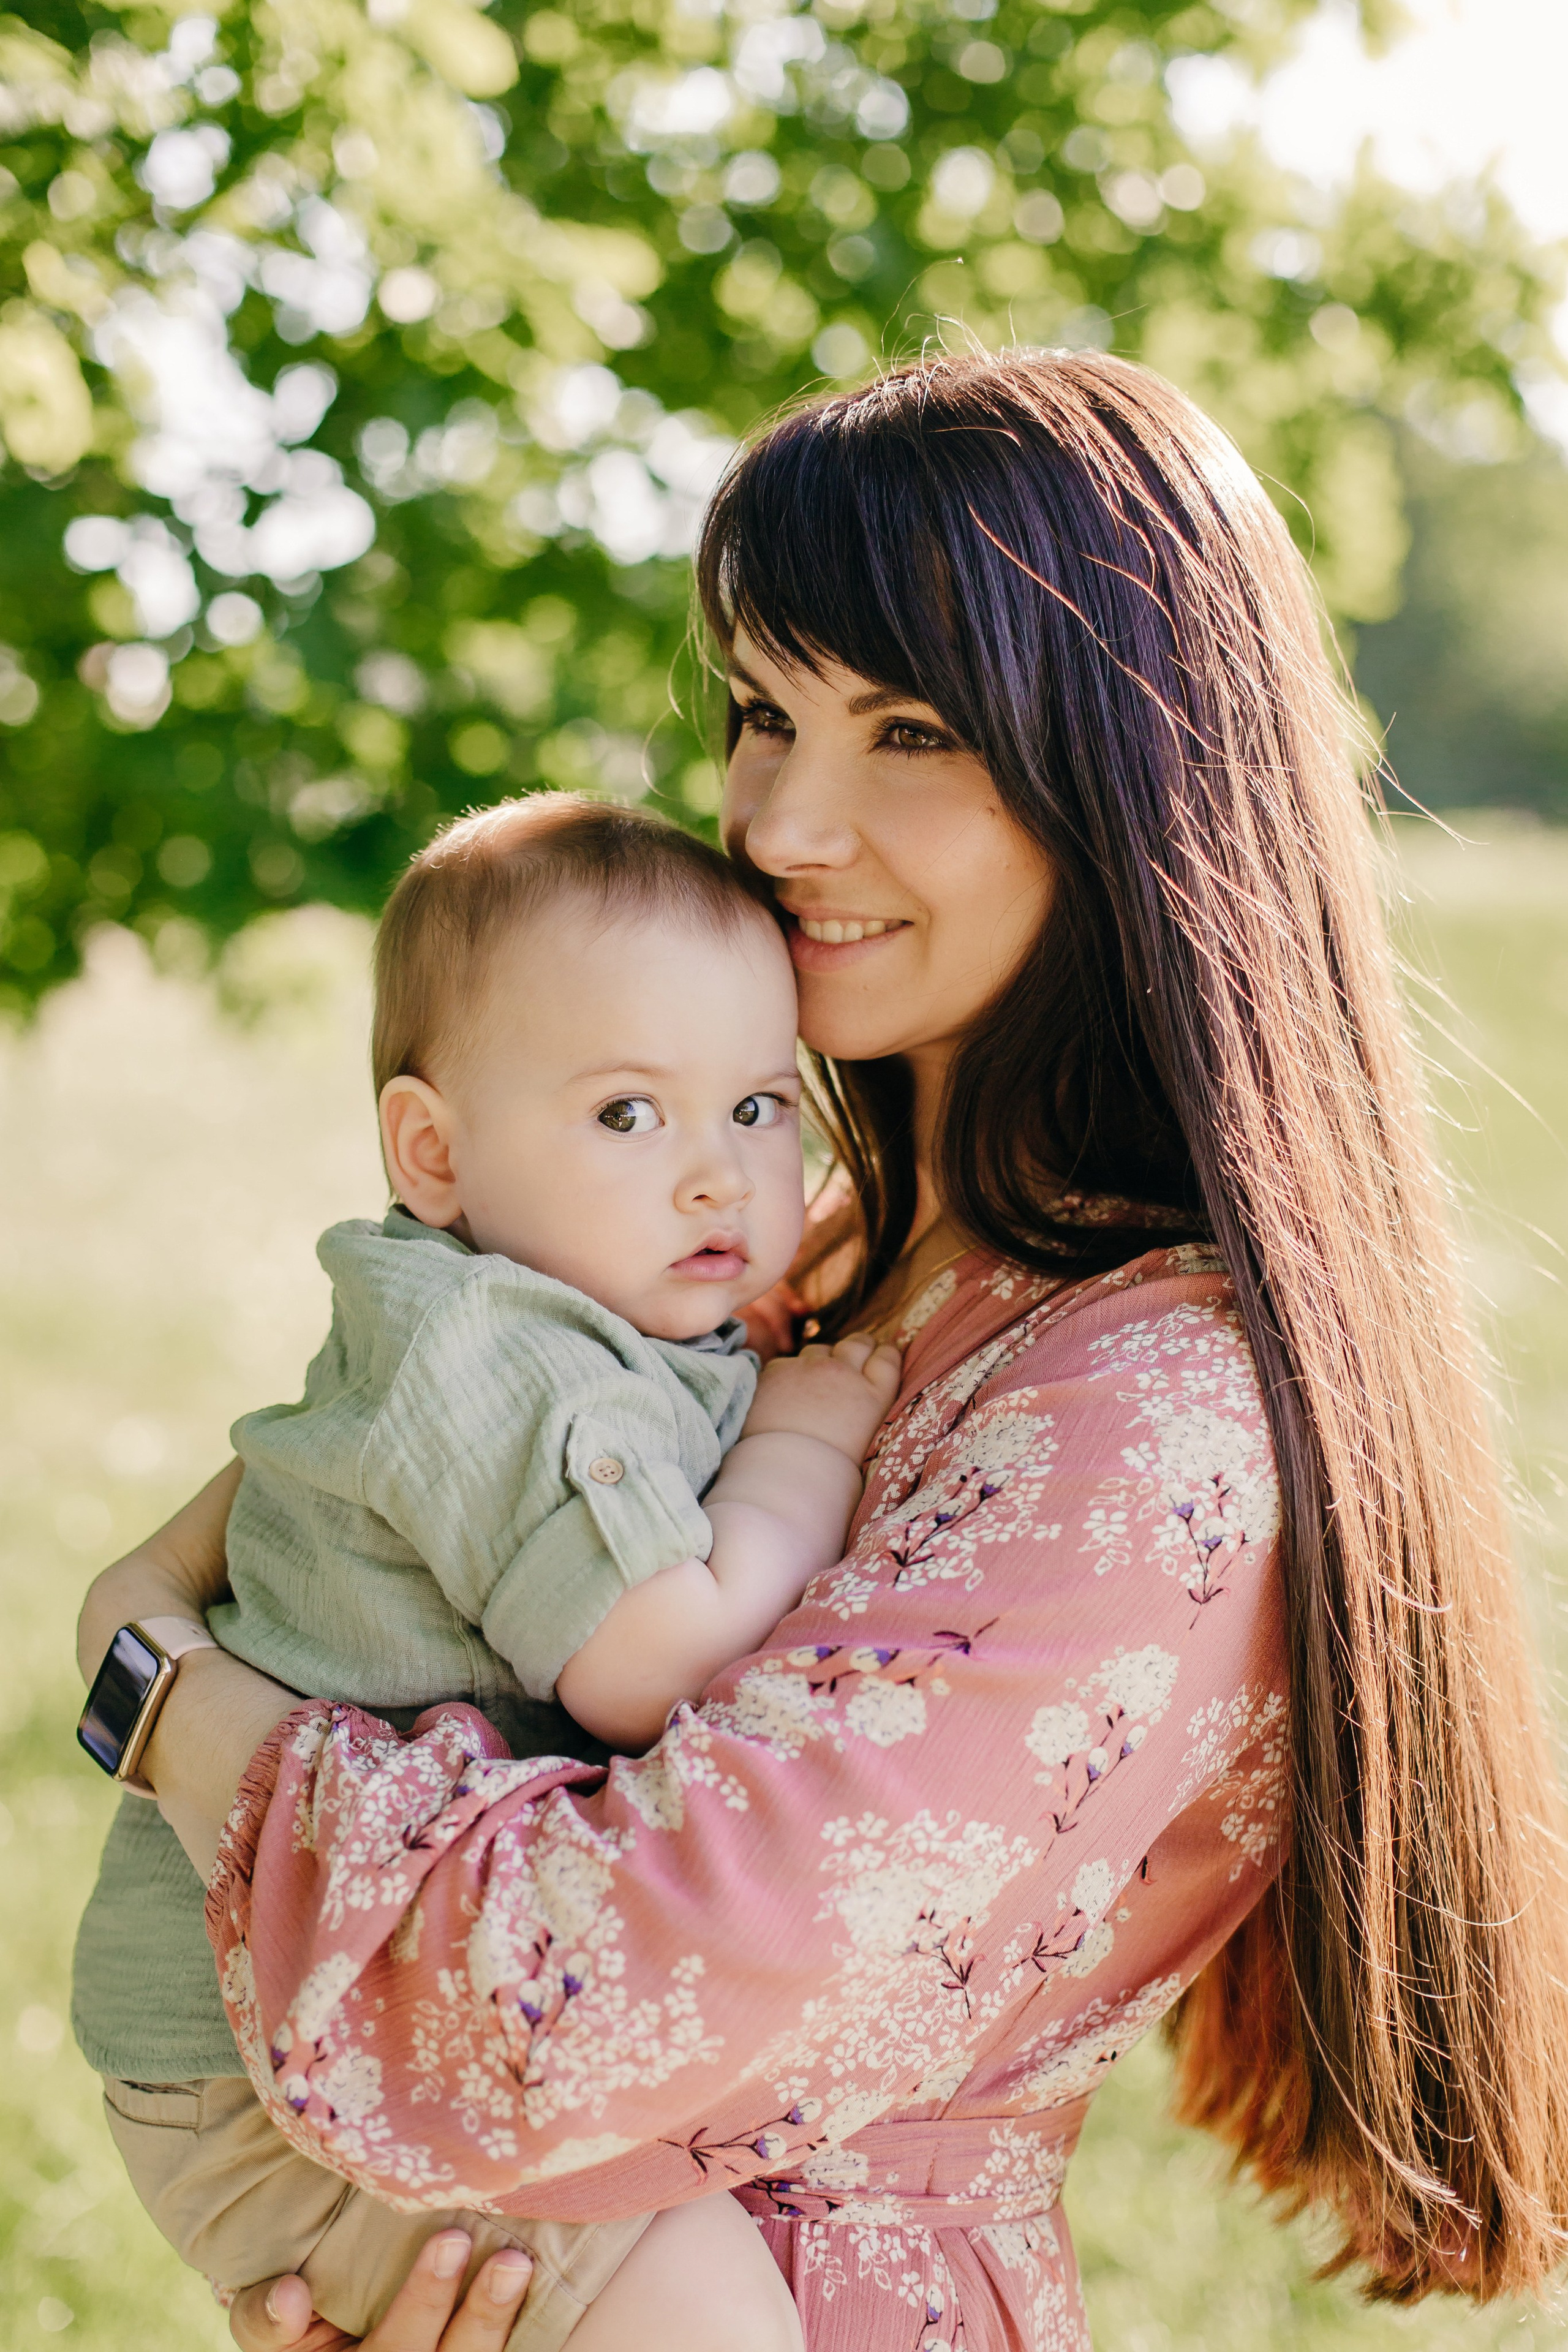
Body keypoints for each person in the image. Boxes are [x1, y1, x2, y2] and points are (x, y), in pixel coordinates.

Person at [78, 349, 1568, 2352]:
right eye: (765, 712)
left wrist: (158, 1703)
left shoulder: (1160, 1416)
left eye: (911, 730)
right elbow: (345, 1512)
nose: (781, 818)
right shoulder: (823, 1254)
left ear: (1128, 774)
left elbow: (584, 1993)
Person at [74, 795, 900, 2348]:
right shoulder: (501, 1355)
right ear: (434, 1153)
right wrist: (802, 1451)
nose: (719, 1176)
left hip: (346, 1991)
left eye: (759, 1106)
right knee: (704, 2319)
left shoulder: (591, 1306)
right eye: (626, 1116)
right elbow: (651, 1662)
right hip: (279, 2048)